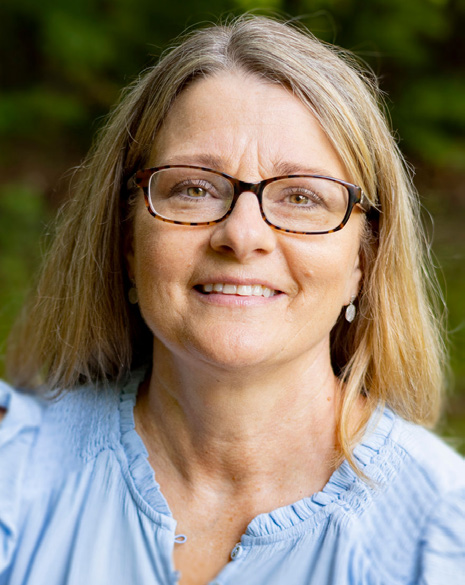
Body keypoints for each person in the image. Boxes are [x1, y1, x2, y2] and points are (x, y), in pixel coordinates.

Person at [1, 14, 464, 585]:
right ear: (126, 238)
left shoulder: (441, 535)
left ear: (364, 261)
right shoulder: (14, 476)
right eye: (194, 188)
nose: (242, 236)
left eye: (301, 197)